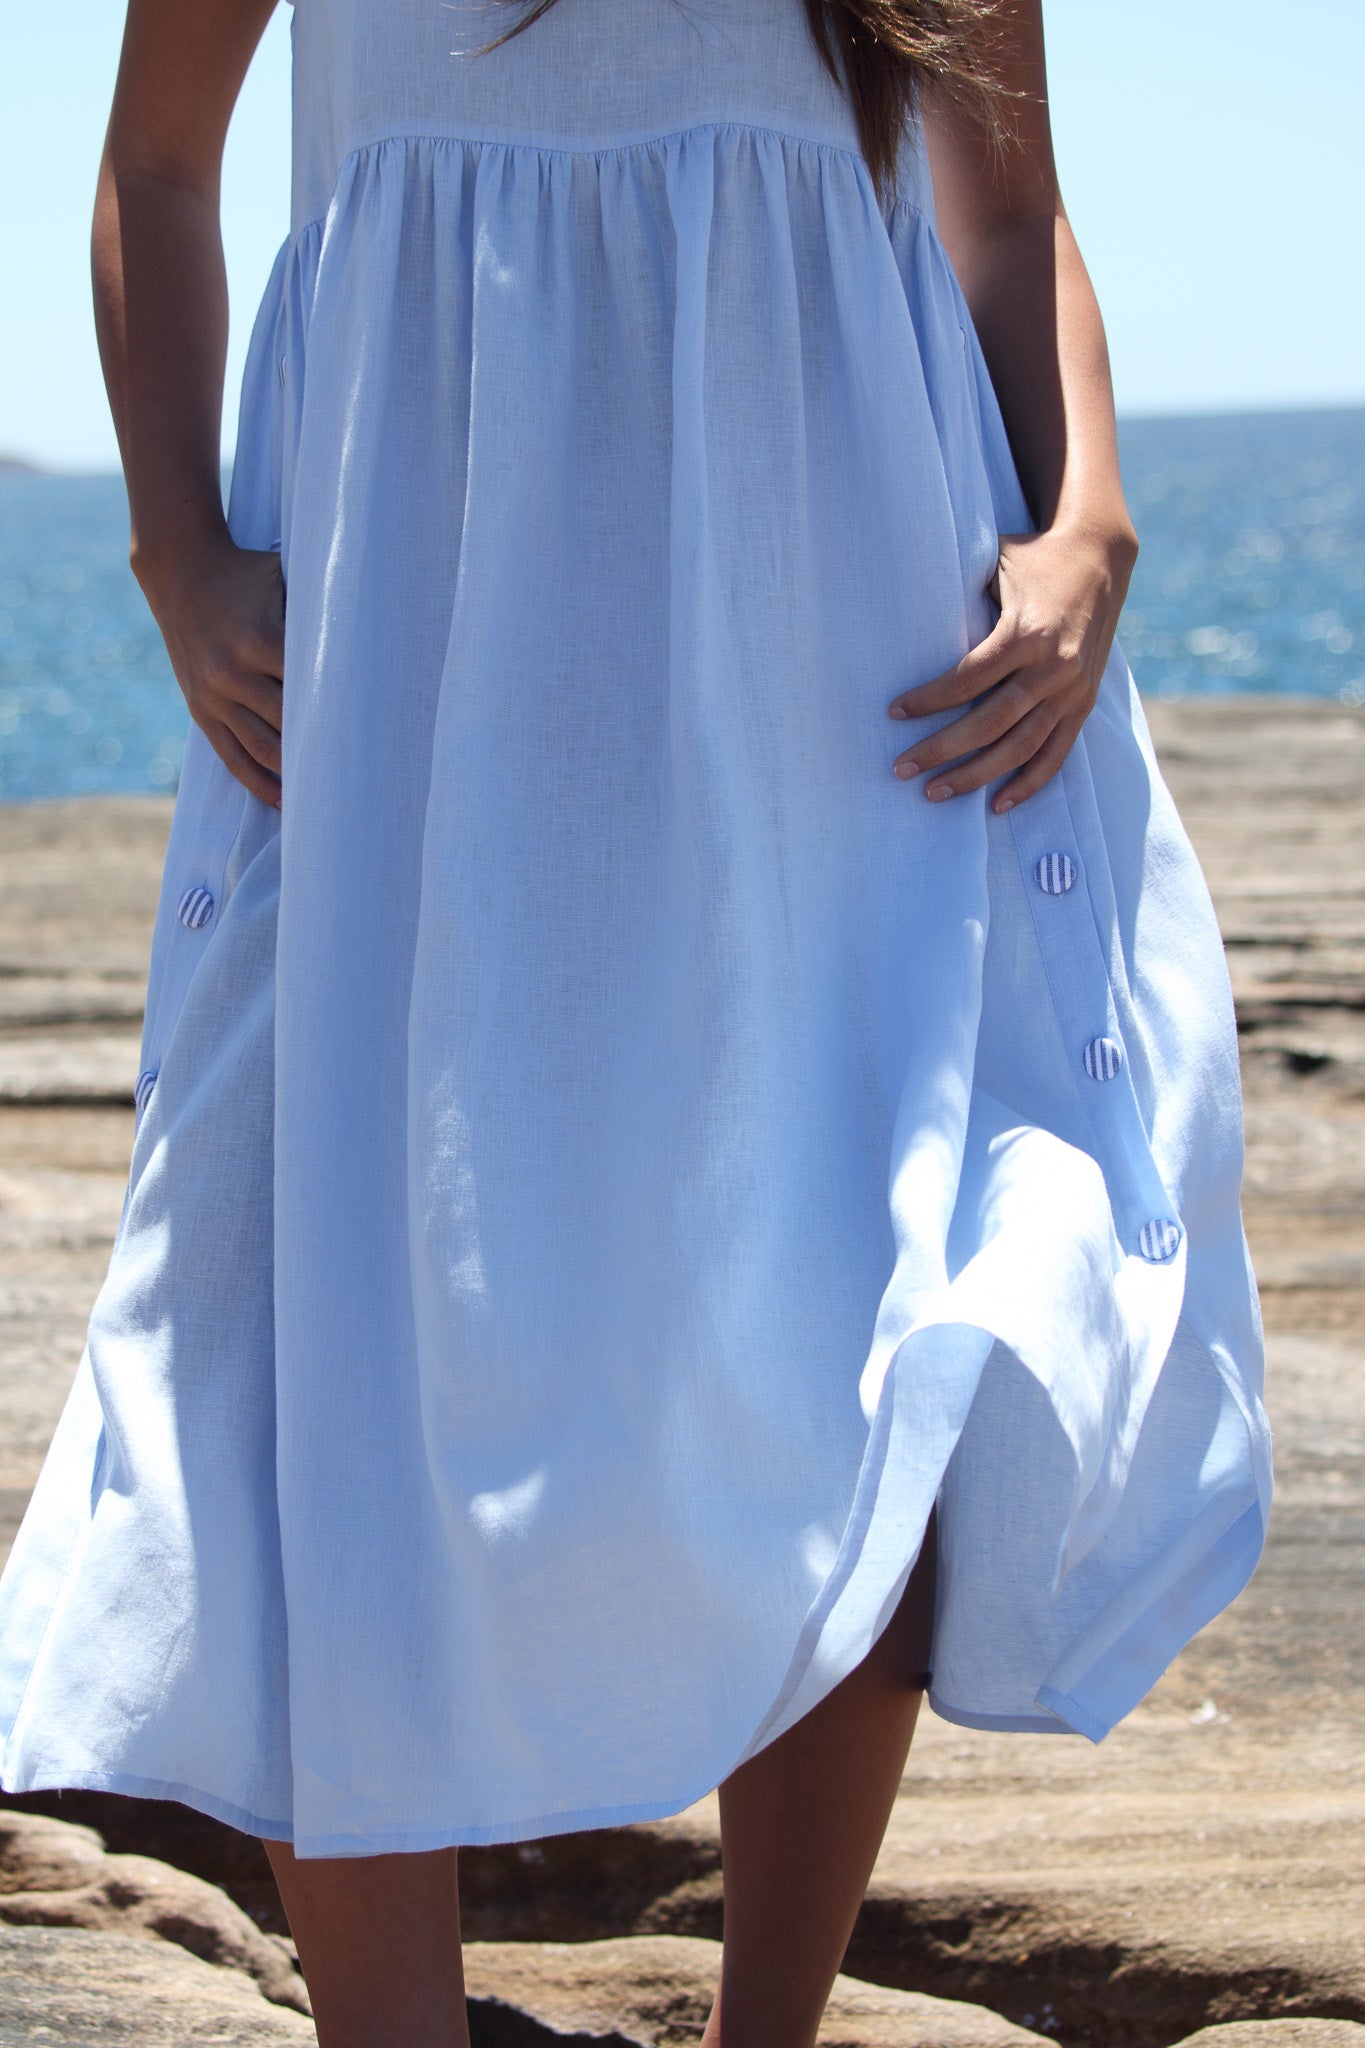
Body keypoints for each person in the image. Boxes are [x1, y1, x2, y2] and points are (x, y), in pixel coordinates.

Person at [0, 0, 1271, 2041]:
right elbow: (155, 161)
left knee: (848, 1319)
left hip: (842, 675)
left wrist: (1088, 522)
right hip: (403, 661)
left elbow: (1006, 215)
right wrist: (179, 549)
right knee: (312, 1338)